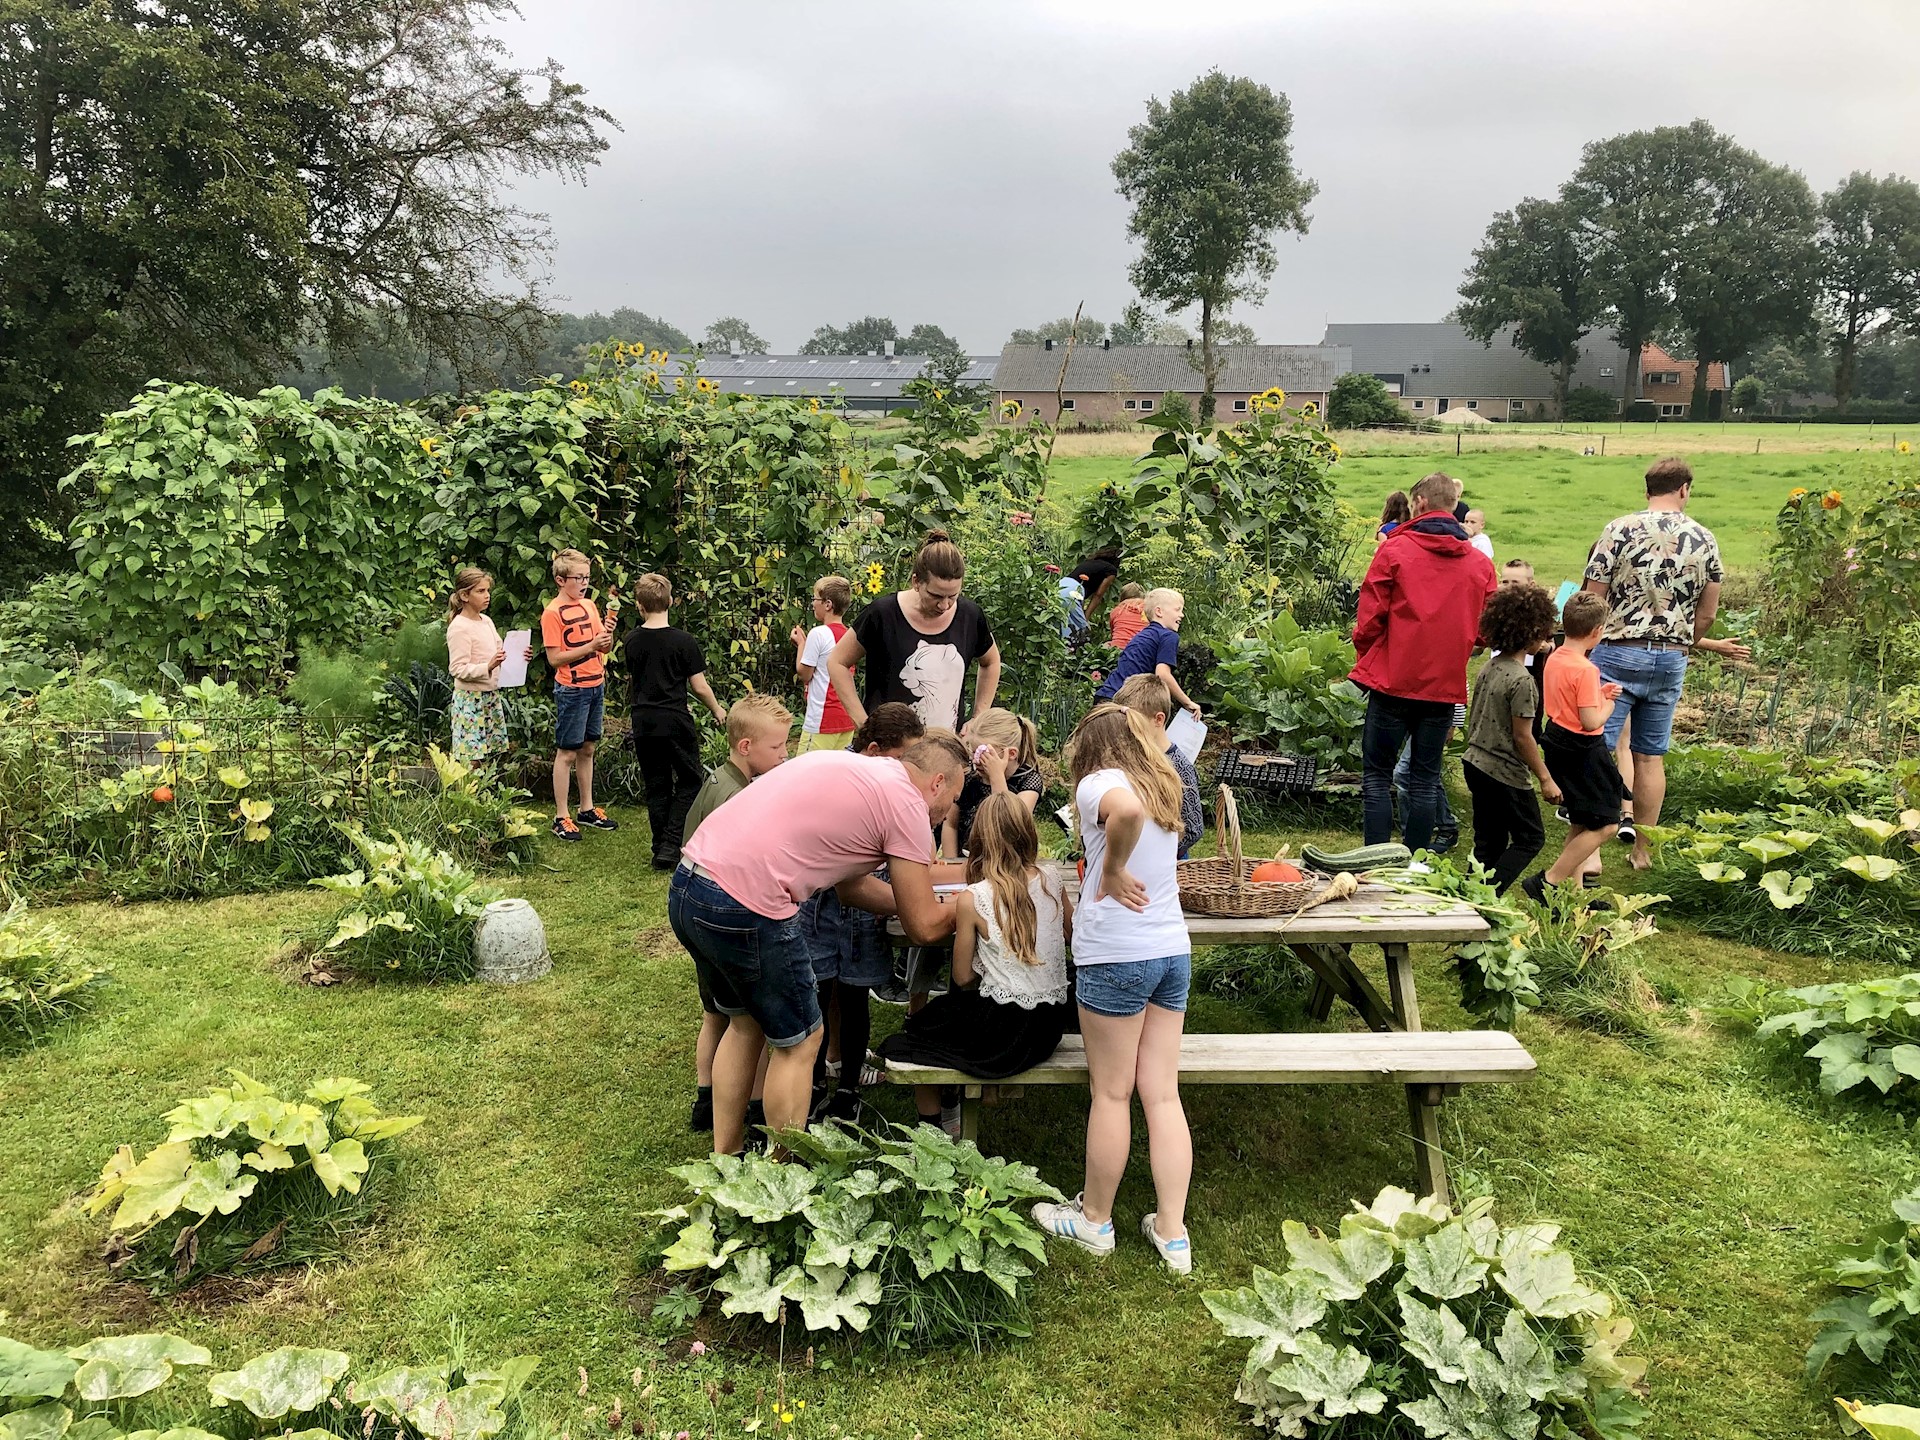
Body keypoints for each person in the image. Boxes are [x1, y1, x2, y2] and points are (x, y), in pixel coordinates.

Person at [671, 731, 969, 1155]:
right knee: (801, 1042)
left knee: (744, 1024)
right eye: (952, 797)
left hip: (691, 882)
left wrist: (933, 900)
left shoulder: (863, 773)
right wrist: (966, 907)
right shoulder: (908, 805)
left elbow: (853, 891)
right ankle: (781, 1174)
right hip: (748, 902)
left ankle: (728, 1158)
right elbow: (922, 926)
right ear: (937, 782)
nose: (947, 812)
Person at [1032, 704, 1194, 1276]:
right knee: (1163, 1094)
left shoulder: (1104, 781)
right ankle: (1172, 1231)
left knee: (1111, 1094)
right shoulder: (1162, 782)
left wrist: (1112, 869)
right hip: (1171, 951)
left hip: (1117, 956)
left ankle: (1096, 1220)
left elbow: (1120, 813)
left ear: (1091, 746)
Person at [1581, 456, 1751, 870]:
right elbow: (1708, 612)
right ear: (1684, 489)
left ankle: (1592, 852)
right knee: (1649, 757)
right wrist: (1685, 642)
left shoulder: (1618, 529)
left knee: (1599, 749)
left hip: (1619, 649)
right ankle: (1643, 852)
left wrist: (1586, 645)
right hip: (1671, 657)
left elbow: (1593, 595)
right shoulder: (1704, 538)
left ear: (1647, 490)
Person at [879, 793, 1072, 1135]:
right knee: (951, 1017)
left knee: (918, 1029)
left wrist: (991, 961)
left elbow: (962, 975)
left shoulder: (974, 898)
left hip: (1003, 1033)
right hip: (1048, 1027)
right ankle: (961, 1103)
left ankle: (935, 1128)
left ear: (978, 840)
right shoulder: (1053, 881)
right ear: (1029, 833)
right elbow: (1069, 935)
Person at [1349, 472, 1497, 852]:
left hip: (1393, 680)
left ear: (1419, 503)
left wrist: (1370, 656)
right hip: (1443, 687)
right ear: (1453, 506)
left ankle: (1375, 860)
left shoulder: (1394, 551)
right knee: (1425, 778)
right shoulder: (1480, 564)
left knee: (1377, 776)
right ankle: (1415, 863)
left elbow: (1368, 622)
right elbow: (1486, 631)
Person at [681, 693, 793, 1133]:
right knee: (749, 1022)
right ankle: (752, 1104)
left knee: (715, 1013)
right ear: (745, 747)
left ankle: (706, 1100)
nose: (785, 756)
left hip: (697, 915)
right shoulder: (737, 797)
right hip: (723, 918)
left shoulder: (718, 782)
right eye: (777, 748)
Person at [828, 530, 1002, 734]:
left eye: (953, 596)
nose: (944, 605)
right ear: (916, 582)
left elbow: (991, 662)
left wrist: (979, 717)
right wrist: (862, 724)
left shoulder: (970, 616)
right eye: (935, 595)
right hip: (887, 751)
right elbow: (837, 662)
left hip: (945, 750)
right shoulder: (883, 614)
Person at [1526, 592, 1626, 903]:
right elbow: (1590, 720)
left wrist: (1598, 691)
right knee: (1608, 823)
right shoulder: (1585, 669)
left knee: (1582, 820)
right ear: (1597, 632)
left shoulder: (1554, 656)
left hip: (1557, 741)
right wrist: (1608, 702)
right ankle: (1549, 881)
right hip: (1584, 749)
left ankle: (1574, 892)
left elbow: (1569, 699)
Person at [623, 572, 728, 870]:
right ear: (670, 601)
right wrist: (717, 709)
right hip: (675, 719)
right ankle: (671, 843)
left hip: (643, 720)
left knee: (656, 783)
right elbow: (699, 686)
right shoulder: (683, 641)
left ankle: (660, 845)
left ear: (639, 606)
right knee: (691, 779)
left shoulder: (631, 640)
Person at [1462, 584, 1562, 893]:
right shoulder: (1522, 681)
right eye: (1544, 634)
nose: (1546, 640)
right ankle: (1487, 896)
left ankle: (1465, 898)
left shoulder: (1490, 667)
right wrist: (1545, 778)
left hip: (1474, 762)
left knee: (1488, 842)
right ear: (1531, 631)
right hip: (1503, 771)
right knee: (1530, 838)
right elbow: (1523, 737)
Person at [541, 549, 618, 842]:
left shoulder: (589, 606)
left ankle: (586, 808)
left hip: (595, 683)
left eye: (587, 577)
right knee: (568, 751)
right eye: (578, 578)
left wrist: (606, 639)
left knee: (588, 748)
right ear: (561, 580)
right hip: (572, 690)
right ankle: (561, 816)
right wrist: (590, 647)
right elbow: (555, 658)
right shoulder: (552, 613)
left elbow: (603, 648)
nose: (584, 583)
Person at [1114, 673, 1204, 859]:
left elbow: (1193, 828)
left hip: (1167, 865)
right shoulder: (1128, 757)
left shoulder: (1179, 767)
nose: (1126, 729)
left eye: (1134, 723)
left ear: (1158, 719)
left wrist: (1159, 854)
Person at [445, 567, 527, 766]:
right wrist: (487, 666)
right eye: (480, 591)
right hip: (469, 699)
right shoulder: (459, 627)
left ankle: (485, 794)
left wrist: (519, 655)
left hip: (489, 695)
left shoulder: (487, 621)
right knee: (471, 756)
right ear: (465, 595)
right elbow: (457, 668)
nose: (487, 596)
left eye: (487, 590)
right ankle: (467, 795)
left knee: (489, 753)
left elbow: (500, 653)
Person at [941, 707, 1043, 860]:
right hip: (965, 862)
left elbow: (1010, 825)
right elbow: (950, 824)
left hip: (1007, 864)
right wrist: (951, 862)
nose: (976, 760)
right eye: (973, 751)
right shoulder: (970, 778)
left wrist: (997, 778)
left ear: (1011, 754)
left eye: (983, 754)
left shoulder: (1028, 781)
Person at [1094, 588, 1201, 714]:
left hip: (1104, 697)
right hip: (1123, 704)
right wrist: (1187, 702)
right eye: (1177, 610)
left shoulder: (1143, 634)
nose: (1182, 614)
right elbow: (1162, 674)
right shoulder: (1168, 636)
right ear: (1159, 611)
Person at [791, 575, 858, 755]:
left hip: (822, 719)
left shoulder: (818, 633)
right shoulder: (849, 634)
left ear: (827, 604)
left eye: (815, 599)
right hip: (846, 718)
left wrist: (801, 644)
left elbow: (804, 674)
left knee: (805, 773)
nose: (813, 604)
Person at [1060, 548, 1122, 642]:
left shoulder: (1089, 562)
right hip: (1073, 591)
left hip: (1061, 585)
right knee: (1081, 632)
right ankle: (1076, 654)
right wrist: (1086, 617)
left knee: (1062, 624)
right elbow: (1098, 595)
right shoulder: (1111, 570)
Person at [1108, 581, 1148, 650]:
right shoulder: (1148, 609)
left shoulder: (1117, 611)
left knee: (1107, 644)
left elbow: (1113, 633)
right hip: (1141, 649)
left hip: (1118, 649)